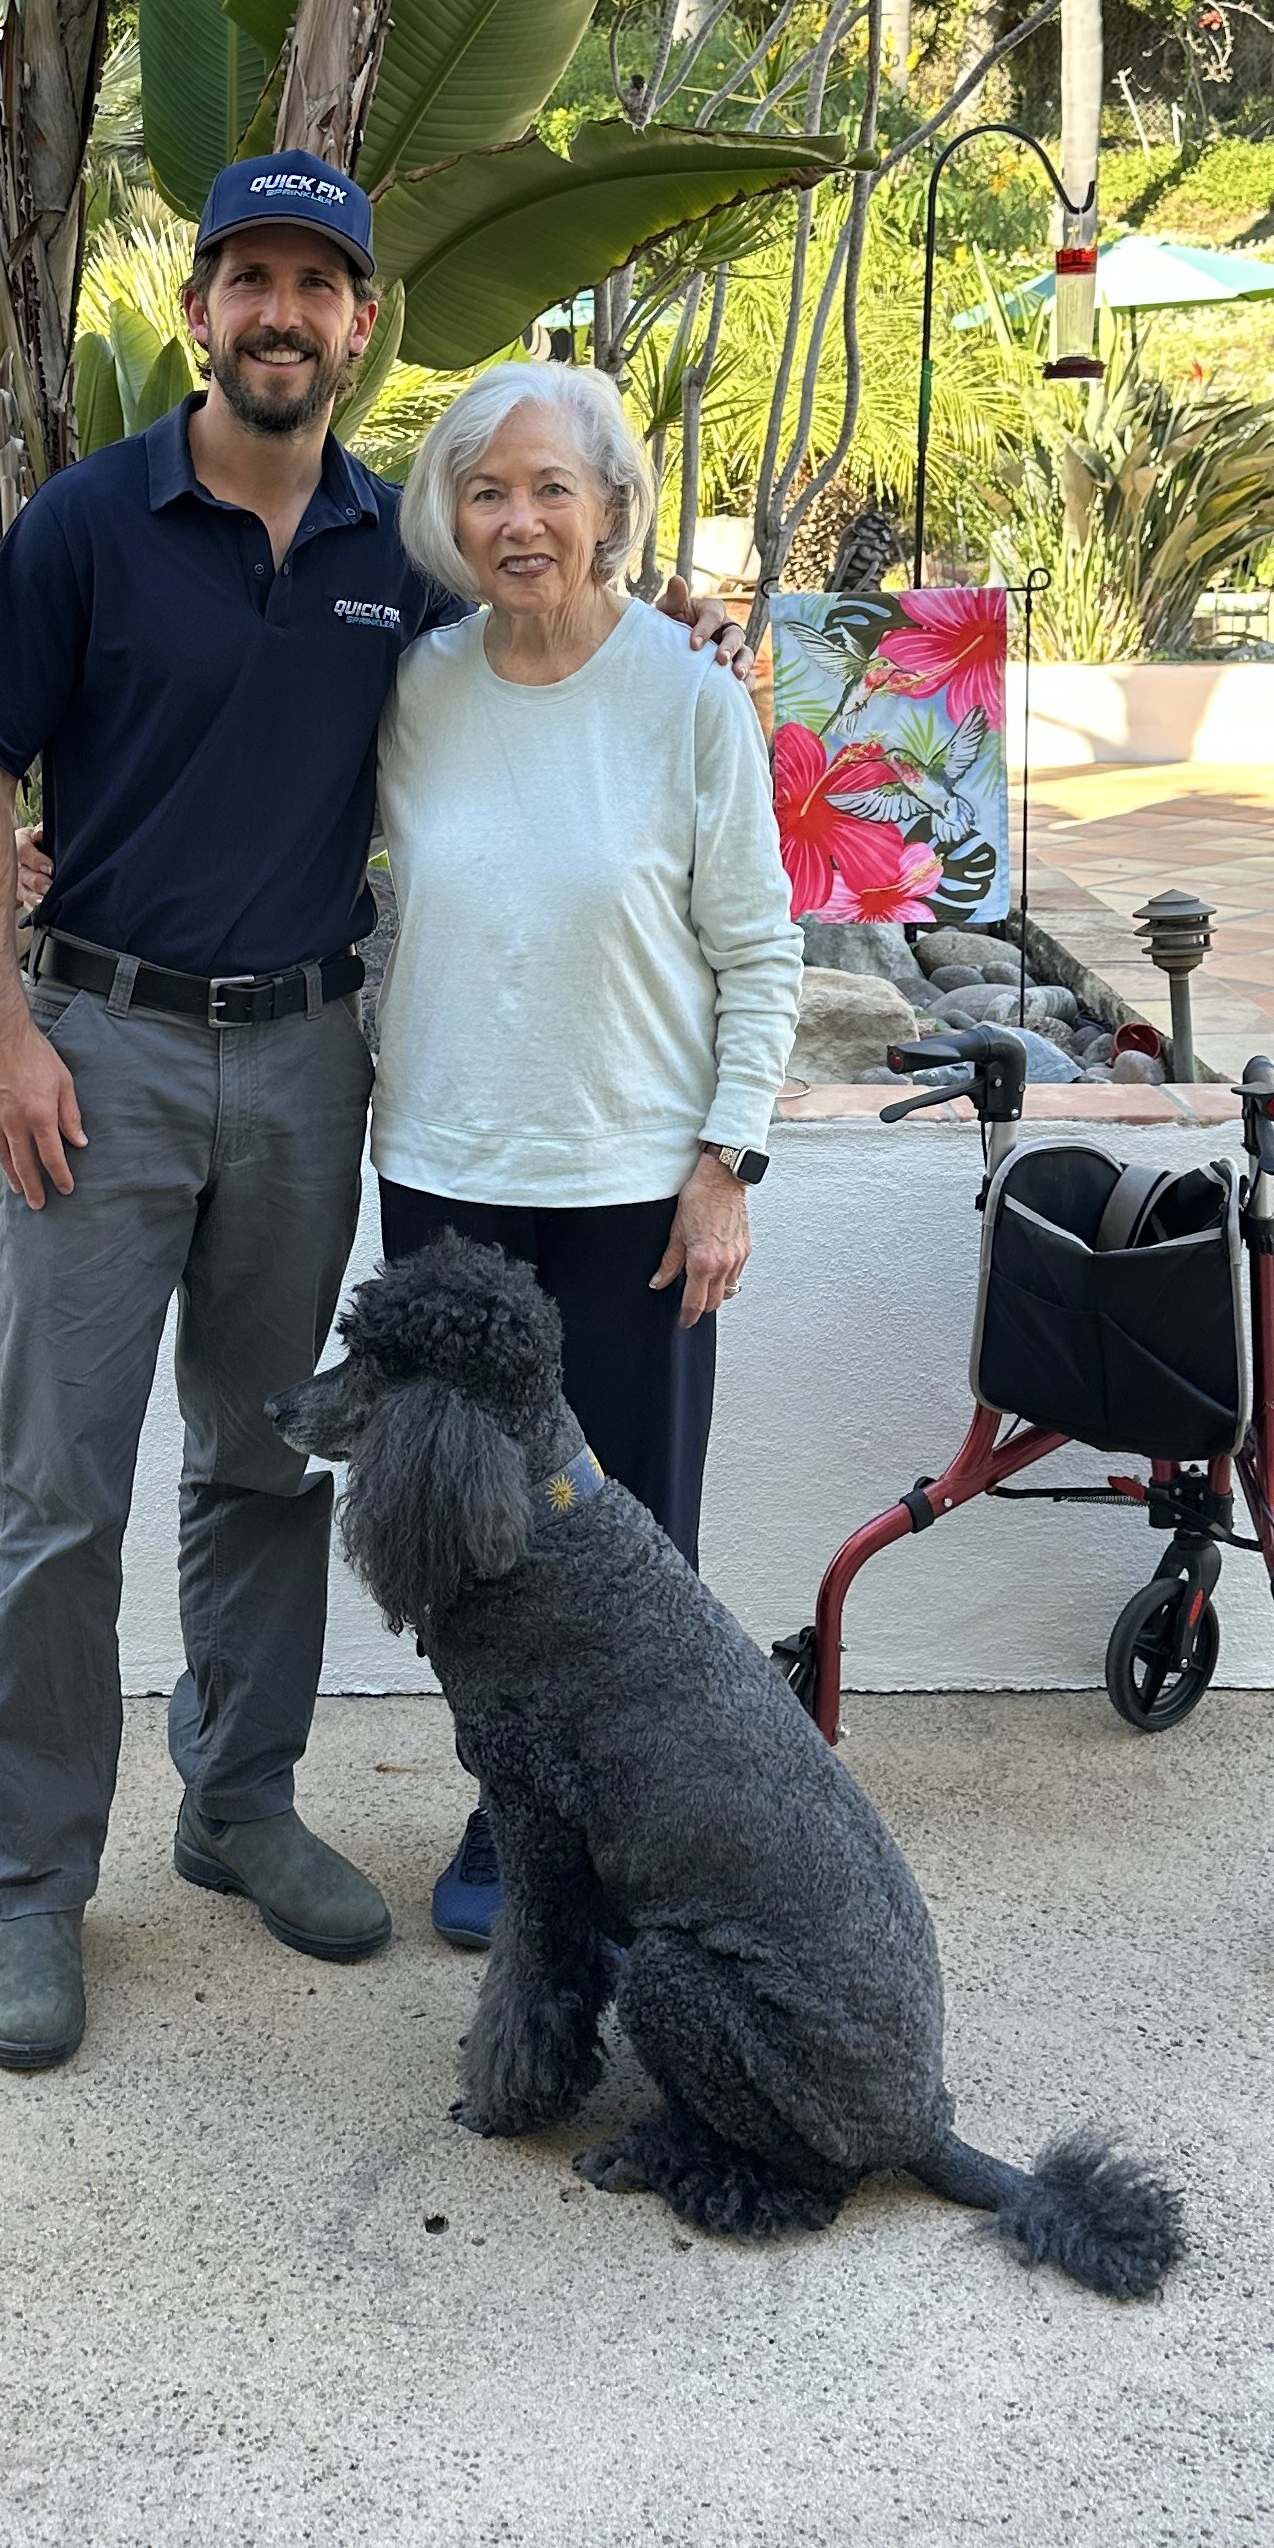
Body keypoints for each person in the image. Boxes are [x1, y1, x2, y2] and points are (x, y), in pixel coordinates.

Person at [0, 153, 739, 2076]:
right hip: (100, 1060)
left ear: (361, 324)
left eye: (319, 283)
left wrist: (672, 610)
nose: (282, 313)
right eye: (250, 279)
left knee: (274, 1461)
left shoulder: (401, 549)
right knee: (63, 1491)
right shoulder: (89, 524)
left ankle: (238, 1802)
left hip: (307, 1063)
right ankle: (35, 1889)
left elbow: (557, 615)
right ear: (200, 310)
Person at [374, 361, 802, 1950]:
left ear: (614, 508)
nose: (522, 519)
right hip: (445, 1166)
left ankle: (649, 1832)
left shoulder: (690, 698)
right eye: (489, 490)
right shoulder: (414, 690)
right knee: (473, 1536)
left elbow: (762, 952)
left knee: (632, 1541)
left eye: (553, 487)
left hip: (635, 1183)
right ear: (452, 518)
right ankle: (513, 1813)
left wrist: (726, 1166)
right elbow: (248, 781)